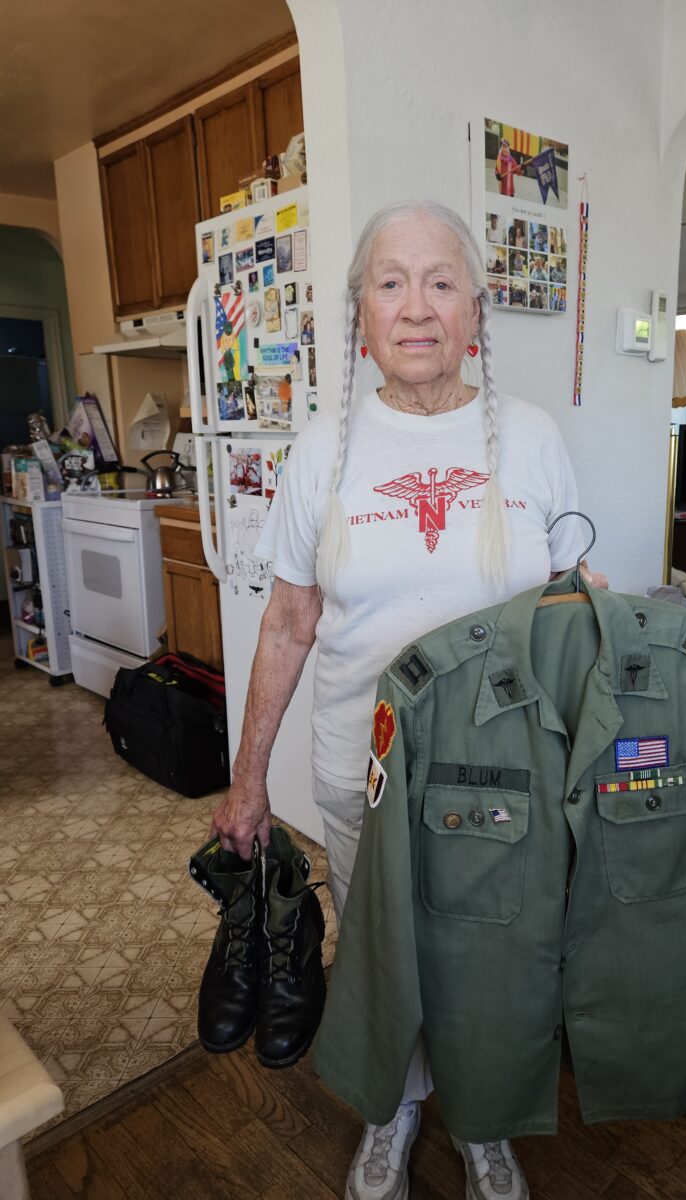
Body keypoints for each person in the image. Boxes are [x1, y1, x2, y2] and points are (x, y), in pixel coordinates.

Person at [211, 199, 606, 1200]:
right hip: (368, 770)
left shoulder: (531, 436)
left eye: (441, 283)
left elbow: (575, 599)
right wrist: (248, 778)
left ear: (475, 312)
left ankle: (481, 1124)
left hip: (509, 775)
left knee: (494, 961)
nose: (417, 307)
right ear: (362, 314)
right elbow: (292, 622)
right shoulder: (321, 451)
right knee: (384, 956)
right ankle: (394, 1110)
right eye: (392, 283)